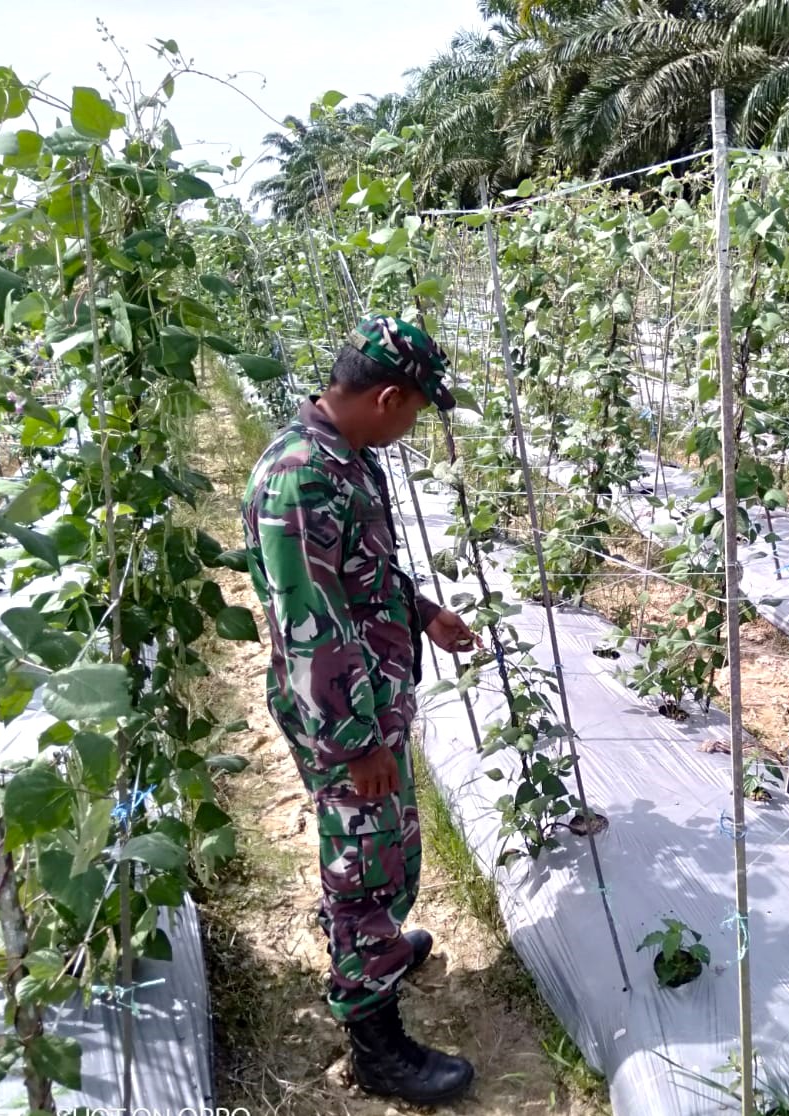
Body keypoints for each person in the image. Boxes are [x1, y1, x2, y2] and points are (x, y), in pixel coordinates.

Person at [241, 315, 480, 1105]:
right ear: (385, 396)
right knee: (361, 866)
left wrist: (420, 613)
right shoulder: (303, 477)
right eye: (414, 411)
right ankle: (375, 1042)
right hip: (346, 715)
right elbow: (309, 622)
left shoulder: (345, 459)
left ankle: (373, 946)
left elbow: (359, 575)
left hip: (369, 701)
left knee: (383, 847)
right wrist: (356, 745)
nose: (411, 427)